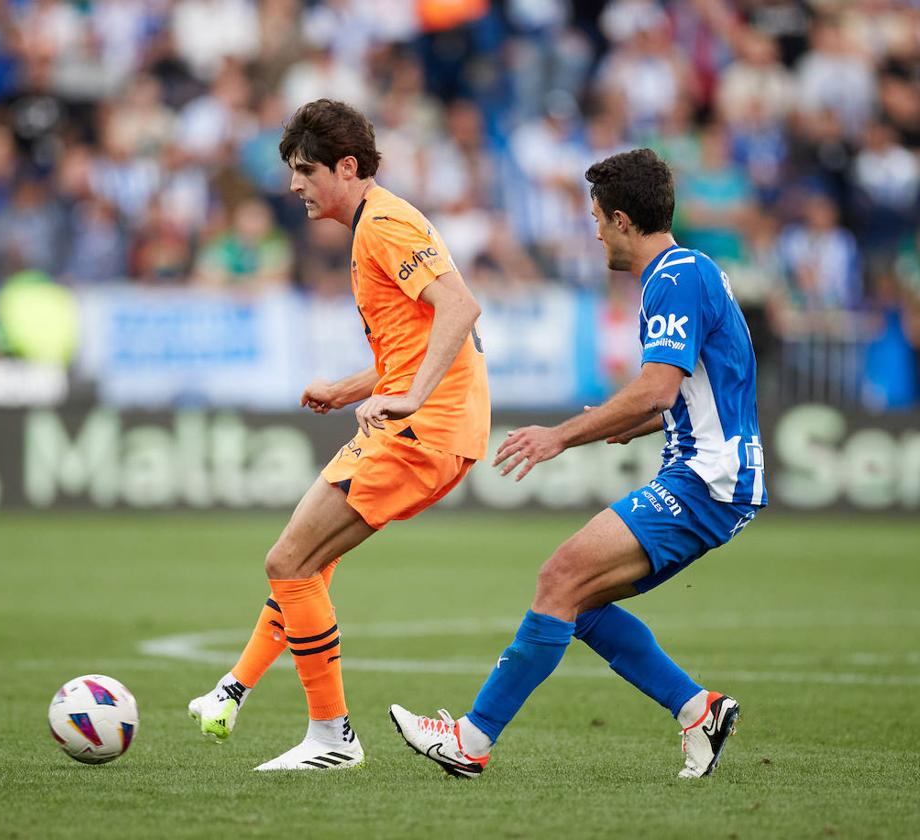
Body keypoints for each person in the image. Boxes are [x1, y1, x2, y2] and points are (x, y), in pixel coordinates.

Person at [390, 148, 767, 780]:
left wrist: (561, 436)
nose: (593, 232)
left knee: (558, 576)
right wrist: (635, 424)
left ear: (622, 220)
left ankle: (471, 740)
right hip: (716, 473)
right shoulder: (693, 271)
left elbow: (658, 389)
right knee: (577, 602)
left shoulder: (673, 278)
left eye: (596, 217)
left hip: (708, 478)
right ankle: (697, 710)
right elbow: (696, 391)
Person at [186, 99, 490, 771]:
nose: (294, 186)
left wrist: (407, 397)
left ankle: (331, 738)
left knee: (287, 561)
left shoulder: (383, 223)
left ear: (345, 167)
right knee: (305, 565)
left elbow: (461, 310)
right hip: (429, 425)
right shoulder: (379, 225)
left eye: (304, 170)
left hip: (424, 429)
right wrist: (353, 388)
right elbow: (413, 344)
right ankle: (234, 692)